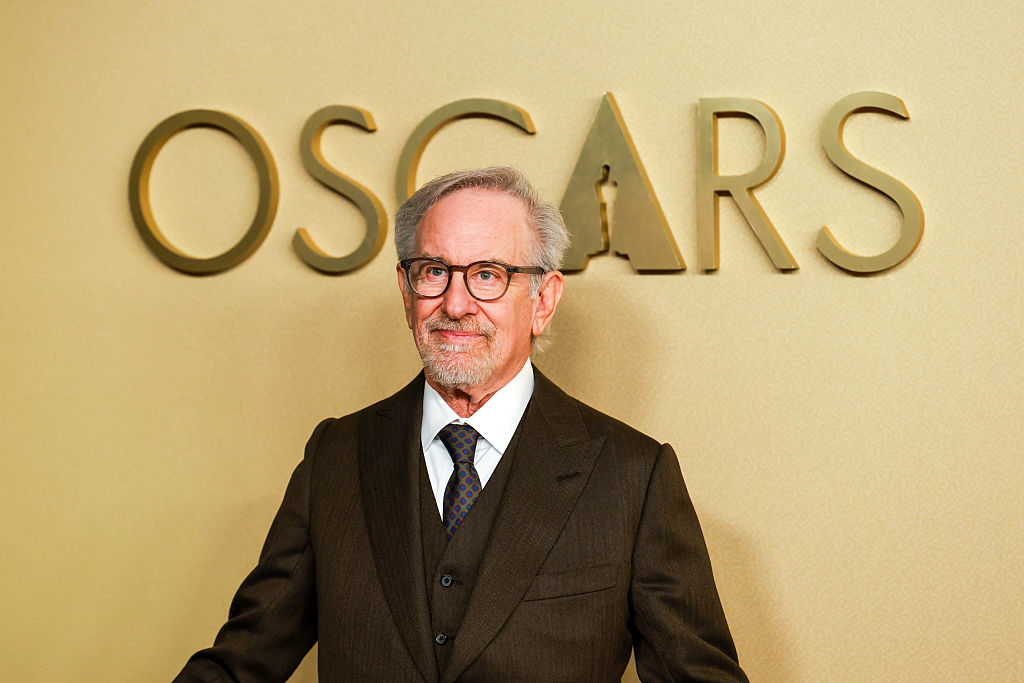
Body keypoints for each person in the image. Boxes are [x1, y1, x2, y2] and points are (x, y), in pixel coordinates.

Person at [174, 167, 748, 682]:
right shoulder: (337, 456)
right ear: (406, 291)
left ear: (542, 299)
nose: (455, 303)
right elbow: (243, 662)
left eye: (488, 274)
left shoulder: (632, 475)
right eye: (433, 271)